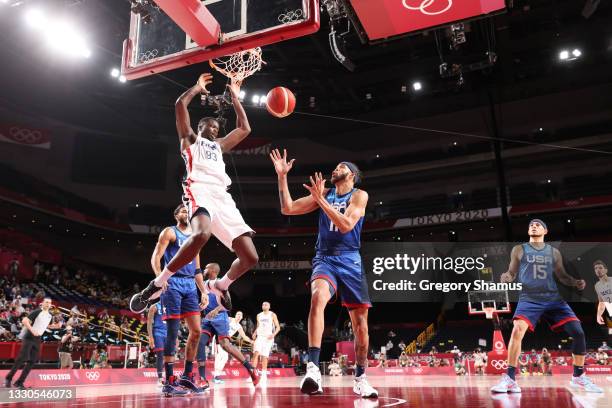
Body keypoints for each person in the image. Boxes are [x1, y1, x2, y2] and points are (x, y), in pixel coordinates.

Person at [130, 73, 258, 313]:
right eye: (210, 125)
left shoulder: (219, 146)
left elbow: (245, 128)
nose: (214, 128)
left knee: (250, 257)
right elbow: (180, 104)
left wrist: (235, 97)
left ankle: (220, 285)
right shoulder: (189, 139)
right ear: (199, 127)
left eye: (217, 127)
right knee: (201, 235)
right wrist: (196, 88)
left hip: (223, 196)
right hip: (199, 189)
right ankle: (158, 283)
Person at [270, 149, 377, 398]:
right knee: (317, 297)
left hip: (350, 260)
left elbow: (346, 225)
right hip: (325, 258)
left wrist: (321, 201)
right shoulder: (325, 193)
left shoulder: (359, 195)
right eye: (335, 166)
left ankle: (361, 378)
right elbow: (287, 208)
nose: (336, 169)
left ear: (352, 174)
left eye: (342, 166)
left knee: (361, 327)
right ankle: (313, 369)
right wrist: (282, 176)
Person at [491, 219, 602, 393]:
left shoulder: (554, 252)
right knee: (517, 329)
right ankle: (510, 379)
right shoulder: (519, 249)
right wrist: (506, 276)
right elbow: (512, 272)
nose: (533, 226)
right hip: (529, 297)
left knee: (578, 332)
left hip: (553, 299)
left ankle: (578, 376)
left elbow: (563, 276)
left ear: (545, 230)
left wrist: (575, 282)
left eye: (537, 224)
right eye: (530, 225)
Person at [143, 205, 209, 397]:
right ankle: (169, 380)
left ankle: (187, 376)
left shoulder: (196, 237)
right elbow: (156, 257)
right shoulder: (169, 232)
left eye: (188, 211)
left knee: (196, 331)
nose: (186, 213)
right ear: (175, 215)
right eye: (182, 211)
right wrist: (159, 279)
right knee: (172, 331)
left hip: (190, 286)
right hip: (172, 283)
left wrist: (203, 291)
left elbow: (197, 269)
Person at [196, 263, 259, 388]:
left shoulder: (220, 283)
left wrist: (216, 310)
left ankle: (251, 368)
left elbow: (228, 305)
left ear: (213, 270)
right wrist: (200, 307)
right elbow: (204, 301)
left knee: (226, 345)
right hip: (207, 319)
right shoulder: (203, 284)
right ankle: (202, 378)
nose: (204, 269)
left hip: (220, 317)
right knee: (200, 343)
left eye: (206, 267)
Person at [4, 297, 60, 388]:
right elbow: (24, 321)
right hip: (29, 337)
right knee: (22, 359)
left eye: (49, 303)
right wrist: (32, 330)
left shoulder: (49, 315)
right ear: (42, 303)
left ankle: (19, 382)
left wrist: (54, 326)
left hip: (38, 339)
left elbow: (44, 325)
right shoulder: (37, 311)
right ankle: (8, 378)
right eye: (46, 302)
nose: (47, 304)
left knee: (32, 361)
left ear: (51, 305)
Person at [212, 310, 252, 384]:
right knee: (219, 357)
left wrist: (252, 341)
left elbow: (244, 336)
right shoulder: (230, 319)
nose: (239, 316)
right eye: (237, 314)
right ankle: (216, 377)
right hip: (219, 338)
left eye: (240, 315)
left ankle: (217, 376)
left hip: (226, 341)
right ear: (235, 315)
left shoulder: (239, 326)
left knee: (224, 358)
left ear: (242, 317)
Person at [251, 302, 281, 384]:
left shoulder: (272, 314)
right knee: (255, 353)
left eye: (266, 305)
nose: (264, 306)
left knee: (264, 356)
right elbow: (258, 326)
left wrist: (273, 334)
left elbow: (278, 327)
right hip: (260, 337)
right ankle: (252, 374)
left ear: (269, 306)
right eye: (263, 304)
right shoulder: (259, 315)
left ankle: (264, 375)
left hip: (268, 338)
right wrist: (254, 333)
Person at [147, 302, 167, 385]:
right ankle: (159, 378)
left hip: (168, 332)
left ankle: (169, 377)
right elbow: (149, 322)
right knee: (160, 354)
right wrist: (150, 337)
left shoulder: (171, 305)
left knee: (169, 356)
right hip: (158, 332)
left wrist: (175, 337)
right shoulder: (154, 306)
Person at [593, 260, 612, 326]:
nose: (598, 270)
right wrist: (598, 315)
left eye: (600, 268)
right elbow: (601, 303)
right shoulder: (597, 286)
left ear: (606, 270)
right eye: (596, 268)